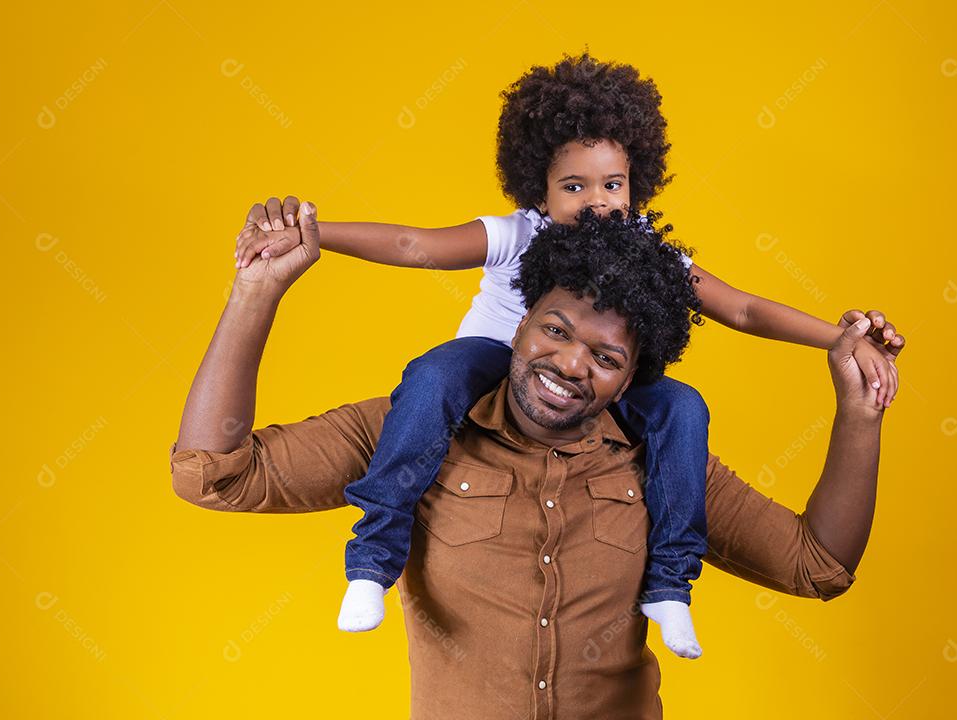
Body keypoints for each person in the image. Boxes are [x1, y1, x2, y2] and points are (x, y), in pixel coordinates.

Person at [230, 53, 902, 658]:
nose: (596, 203)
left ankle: (670, 582)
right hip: (488, 366)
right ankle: (373, 559)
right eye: (573, 187)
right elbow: (415, 246)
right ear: (538, 189)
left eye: (612, 185)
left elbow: (744, 309)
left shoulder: (648, 252)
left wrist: (838, 337)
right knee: (432, 373)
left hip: (599, 399)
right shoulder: (519, 234)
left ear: (637, 182)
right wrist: (313, 233)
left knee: (683, 407)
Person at [171, 204, 904, 719]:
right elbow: (215, 473)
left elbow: (818, 566)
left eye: (607, 356)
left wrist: (858, 415)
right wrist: (256, 292)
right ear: (519, 320)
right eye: (554, 329)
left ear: (633, 373)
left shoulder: (664, 459)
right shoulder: (415, 430)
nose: (570, 363)